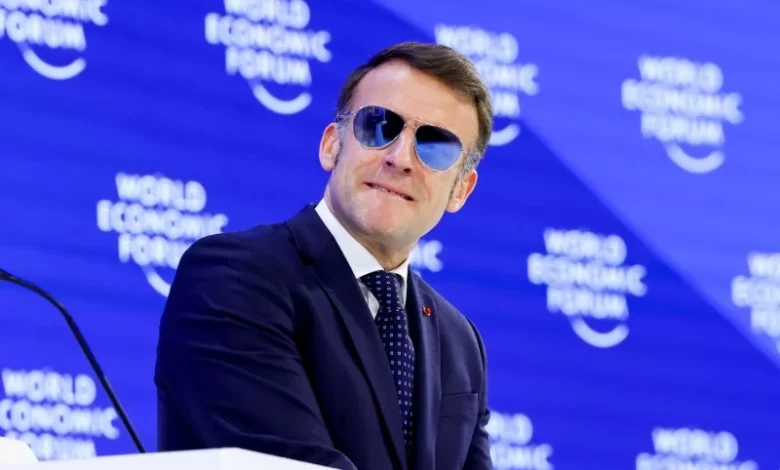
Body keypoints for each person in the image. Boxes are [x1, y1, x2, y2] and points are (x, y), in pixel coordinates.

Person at [154, 41, 494, 470]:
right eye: (379, 126)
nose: (400, 158)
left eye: (435, 146)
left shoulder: (459, 341)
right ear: (332, 145)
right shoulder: (232, 277)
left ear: (461, 189)